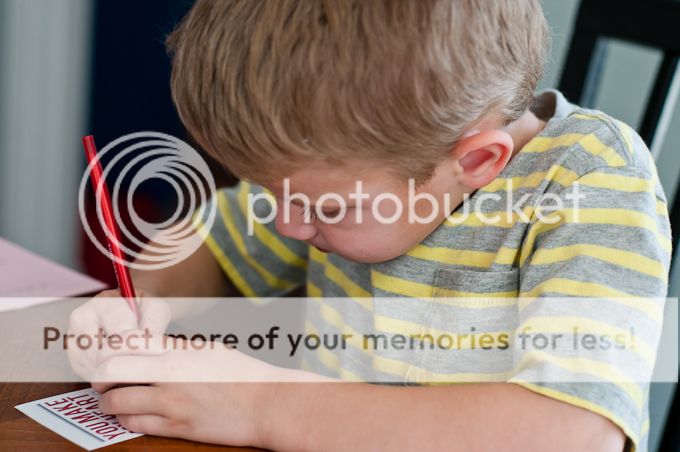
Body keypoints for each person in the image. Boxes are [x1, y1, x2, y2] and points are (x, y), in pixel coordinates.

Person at [68, 1, 671, 450]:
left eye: (326, 210)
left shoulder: (587, 181)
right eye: (269, 192)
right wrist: (142, 301)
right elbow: (209, 246)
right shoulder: (338, 176)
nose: (286, 224)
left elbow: (569, 432)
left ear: (476, 163)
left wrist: (262, 405)